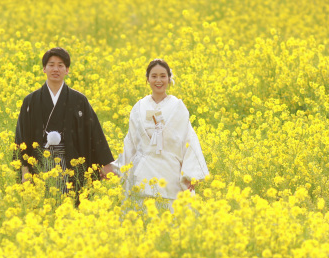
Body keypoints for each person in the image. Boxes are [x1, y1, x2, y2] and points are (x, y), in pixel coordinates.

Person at [14, 47, 115, 196]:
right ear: (44, 69)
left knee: (71, 203)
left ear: (67, 70)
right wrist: (24, 171)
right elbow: (21, 138)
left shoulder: (79, 100)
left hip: (71, 163)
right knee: (42, 205)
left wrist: (106, 164)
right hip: (40, 163)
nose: (56, 69)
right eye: (51, 64)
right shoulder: (30, 101)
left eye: (61, 65)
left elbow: (94, 132)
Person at [114, 59, 208, 208]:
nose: (158, 80)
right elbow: (130, 142)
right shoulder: (139, 107)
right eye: (154, 76)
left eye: (163, 76)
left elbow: (189, 140)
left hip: (171, 177)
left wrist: (190, 174)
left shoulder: (178, 107)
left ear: (169, 79)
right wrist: (115, 169)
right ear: (147, 79)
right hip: (142, 176)